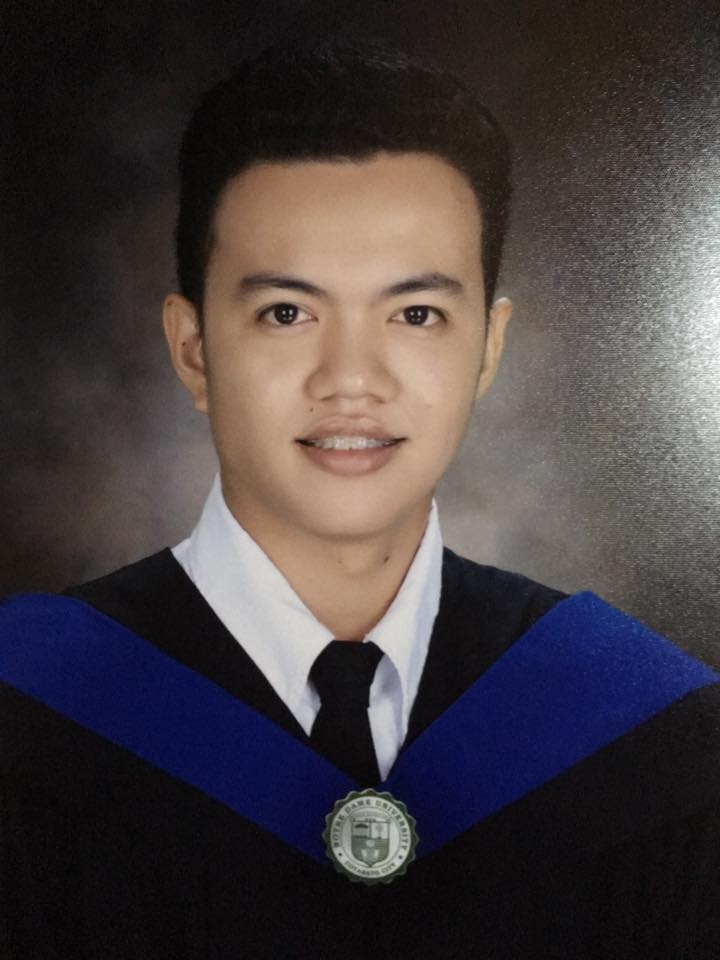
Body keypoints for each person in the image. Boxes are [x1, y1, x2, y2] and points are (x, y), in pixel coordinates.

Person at [1, 41, 718, 959]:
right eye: (287, 313)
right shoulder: (33, 718)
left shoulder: (649, 736)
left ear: (488, 349)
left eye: (416, 315)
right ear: (193, 350)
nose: (351, 379)